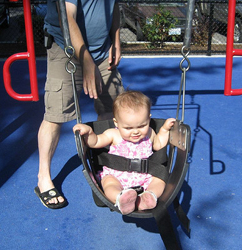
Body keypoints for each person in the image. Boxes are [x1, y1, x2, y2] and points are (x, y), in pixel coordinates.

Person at [35, 0, 124, 209]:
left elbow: (114, 7)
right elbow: (67, 15)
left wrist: (116, 41)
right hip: (65, 49)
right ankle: (44, 178)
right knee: (55, 114)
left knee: (114, 110)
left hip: (101, 51)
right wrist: (86, 61)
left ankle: (108, 169)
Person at [73, 91, 176, 215]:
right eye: (128, 128)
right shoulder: (113, 134)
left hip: (145, 175)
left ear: (148, 118)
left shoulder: (149, 133)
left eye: (142, 125)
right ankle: (121, 198)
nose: (135, 132)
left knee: (159, 180)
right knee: (108, 183)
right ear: (116, 123)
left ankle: (149, 197)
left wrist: (164, 130)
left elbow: (158, 144)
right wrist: (89, 132)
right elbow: (95, 142)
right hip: (116, 176)